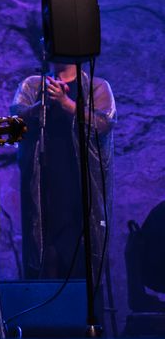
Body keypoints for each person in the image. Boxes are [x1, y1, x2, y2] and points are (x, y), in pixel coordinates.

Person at [11, 55, 116, 284]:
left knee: (82, 249)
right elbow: (16, 119)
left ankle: (85, 314)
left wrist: (66, 103)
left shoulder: (97, 86)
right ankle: (49, 316)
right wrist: (44, 104)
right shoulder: (33, 85)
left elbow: (104, 123)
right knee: (46, 250)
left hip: (81, 183)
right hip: (45, 182)